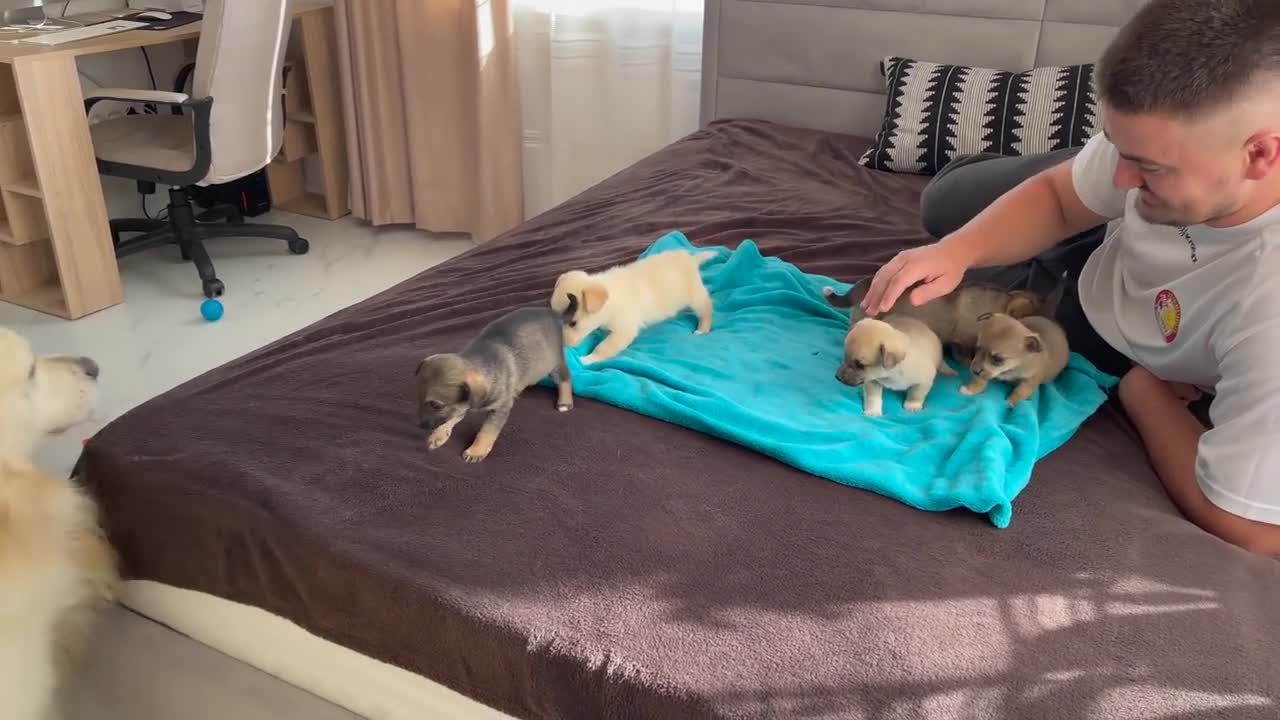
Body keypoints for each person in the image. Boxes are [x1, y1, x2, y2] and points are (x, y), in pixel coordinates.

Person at [859, 0, 1280, 556]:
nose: (1123, 178)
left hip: (1108, 335)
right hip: (1103, 258)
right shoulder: (1161, 156)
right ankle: (1075, 169)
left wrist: (1139, 386)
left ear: (1260, 154)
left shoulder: (1267, 311)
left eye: (1147, 166)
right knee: (945, 202)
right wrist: (956, 251)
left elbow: (1251, 528)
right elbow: (1061, 198)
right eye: (1117, 148)